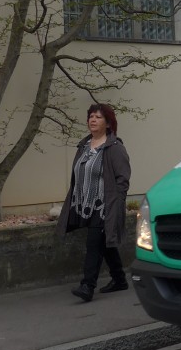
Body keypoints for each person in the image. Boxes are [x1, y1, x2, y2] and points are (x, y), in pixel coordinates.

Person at [56, 103, 131, 301]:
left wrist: (117, 204)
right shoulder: (83, 146)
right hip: (84, 204)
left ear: (108, 123)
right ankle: (120, 279)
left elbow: (123, 179)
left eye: (98, 117)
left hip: (104, 205)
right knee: (103, 243)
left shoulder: (114, 147)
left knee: (93, 243)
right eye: (91, 116)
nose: (93, 120)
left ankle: (87, 286)